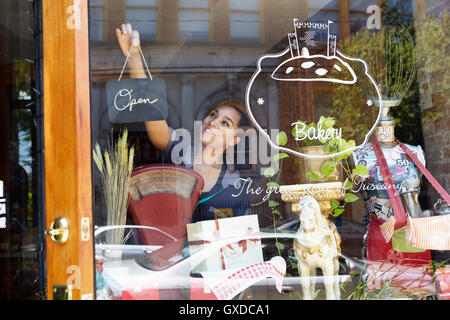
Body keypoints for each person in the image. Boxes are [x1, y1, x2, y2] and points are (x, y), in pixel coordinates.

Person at [116, 24, 251, 222]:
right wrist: (134, 58)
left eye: (225, 123)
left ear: (234, 140)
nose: (214, 122)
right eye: (213, 115)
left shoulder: (234, 184)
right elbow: (150, 110)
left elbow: (241, 240)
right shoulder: (179, 149)